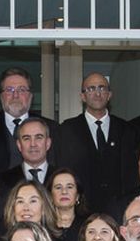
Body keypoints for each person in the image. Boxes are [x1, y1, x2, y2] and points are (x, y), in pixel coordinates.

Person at [53, 71, 135, 210]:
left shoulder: (126, 129)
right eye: (91, 89)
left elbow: (130, 174)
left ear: (109, 95)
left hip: (118, 209)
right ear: (83, 96)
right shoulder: (67, 130)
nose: (97, 93)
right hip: (80, 210)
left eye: (102, 88)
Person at [0, 67, 57, 175]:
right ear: (1, 97)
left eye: (21, 90)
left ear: (30, 96)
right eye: (9, 90)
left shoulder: (52, 128)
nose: (15, 95)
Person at [46, 167, 84, 241]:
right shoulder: (43, 226)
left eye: (69, 187)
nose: (64, 192)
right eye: (58, 187)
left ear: (77, 195)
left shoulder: (88, 224)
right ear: (51, 195)